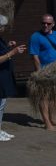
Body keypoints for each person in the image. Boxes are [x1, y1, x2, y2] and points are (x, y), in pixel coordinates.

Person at [29, 14, 56, 130]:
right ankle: (47, 123)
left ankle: (53, 118)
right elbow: (34, 56)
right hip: (44, 71)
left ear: (53, 24)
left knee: (54, 95)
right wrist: (39, 73)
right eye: (43, 23)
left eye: (48, 23)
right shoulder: (35, 37)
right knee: (44, 97)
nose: (45, 25)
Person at [0, 14, 26, 142]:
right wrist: (12, 52)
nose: (4, 29)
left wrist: (8, 46)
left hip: (4, 76)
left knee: (2, 104)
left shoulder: (0, 38)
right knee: (0, 104)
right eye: (3, 26)